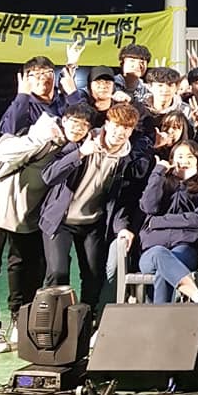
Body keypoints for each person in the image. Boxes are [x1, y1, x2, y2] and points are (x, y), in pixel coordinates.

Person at [0, 103, 93, 353]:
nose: (78, 128)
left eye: (84, 125)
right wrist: (38, 138)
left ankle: (19, 319)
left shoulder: (74, 147)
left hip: (28, 215)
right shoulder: (42, 134)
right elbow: (4, 150)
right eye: (74, 122)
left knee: (20, 269)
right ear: (64, 120)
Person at [39, 103, 146, 316]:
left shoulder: (127, 158)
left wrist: (122, 228)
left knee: (94, 275)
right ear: (107, 124)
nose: (120, 132)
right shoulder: (83, 142)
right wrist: (79, 153)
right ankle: (54, 321)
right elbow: (49, 176)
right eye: (116, 125)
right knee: (58, 272)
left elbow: (121, 200)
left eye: (126, 128)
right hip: (61, 220)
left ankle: (85, 322)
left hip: (93, 222)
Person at [138, 140, 198, 305]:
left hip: (185, 247)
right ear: (172, 159)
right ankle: (195, 293)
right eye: (180, 156)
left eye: (190, 156)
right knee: (160, 254)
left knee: (165, 269)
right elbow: (148, 206)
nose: (184, 160)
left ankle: (160, 318)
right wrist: (158, 172)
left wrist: (159, 222)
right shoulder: (162, 181)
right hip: (152, 251)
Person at [0, 56, 66, 134]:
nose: (43, 77)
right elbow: (8, 131)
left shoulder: (65, 99)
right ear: (26, 79)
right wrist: (23, 96)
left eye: (47, 72)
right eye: (37, 74)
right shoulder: (23, 105)